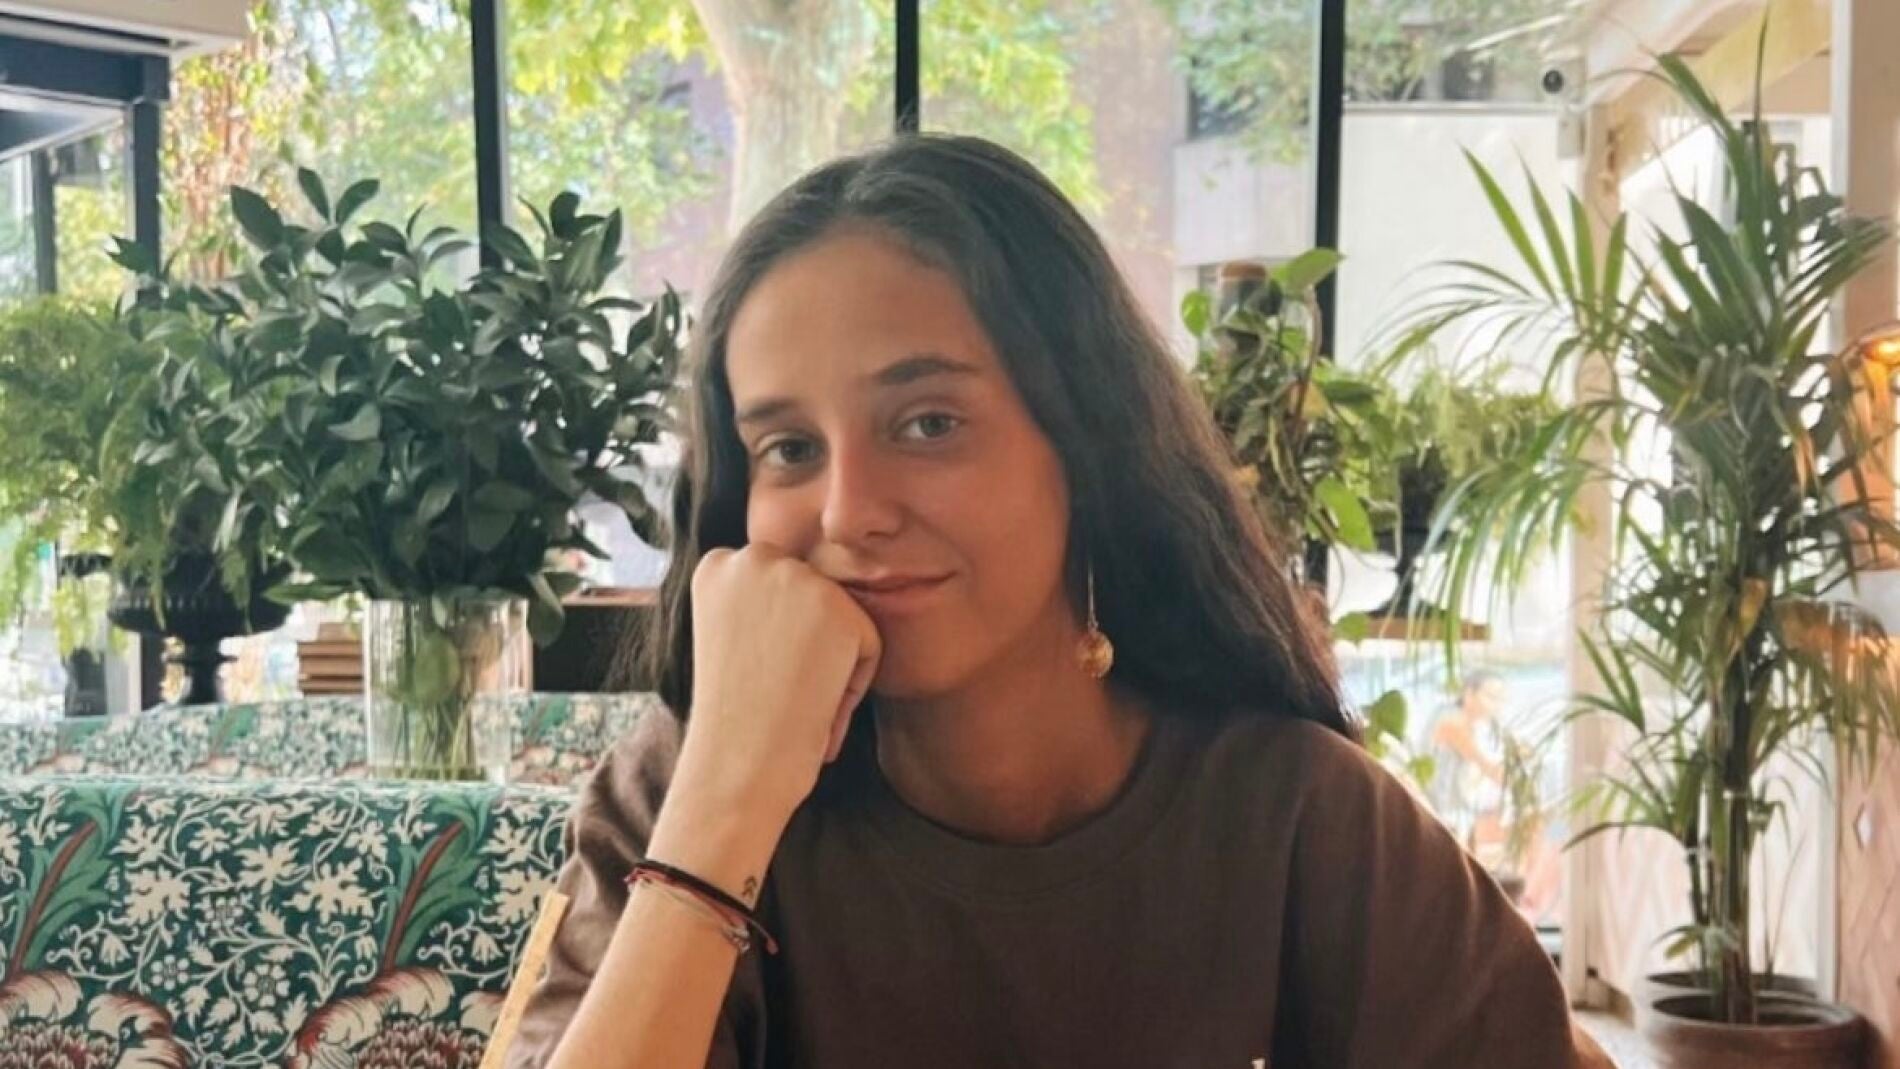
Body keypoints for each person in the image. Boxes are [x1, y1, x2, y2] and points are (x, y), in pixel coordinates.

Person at [504, 134, 1611, 1069]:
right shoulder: (684, 792)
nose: (848, 511)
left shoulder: (1298, 820)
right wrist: (723, 805)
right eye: (789, 447)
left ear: (1087, 446)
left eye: (928, 423)